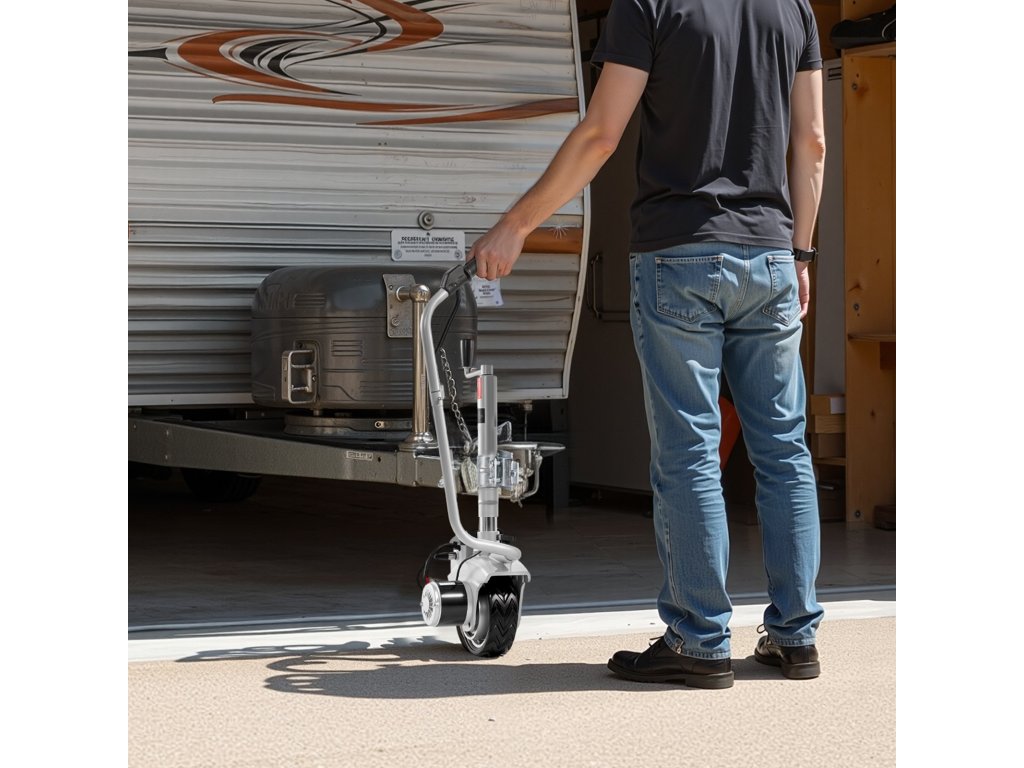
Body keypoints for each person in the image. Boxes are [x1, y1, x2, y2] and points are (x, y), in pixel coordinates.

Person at [469, 0, 827, 689]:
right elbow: (810, 142)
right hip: (772, 257)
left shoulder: (648, 4)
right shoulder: (795, 8)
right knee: (784, 449)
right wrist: (801, 253)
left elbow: (601, 134)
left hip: (680, 256)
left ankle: (699, 640)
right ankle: (796, 637)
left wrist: (517, 224)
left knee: (690, 449)